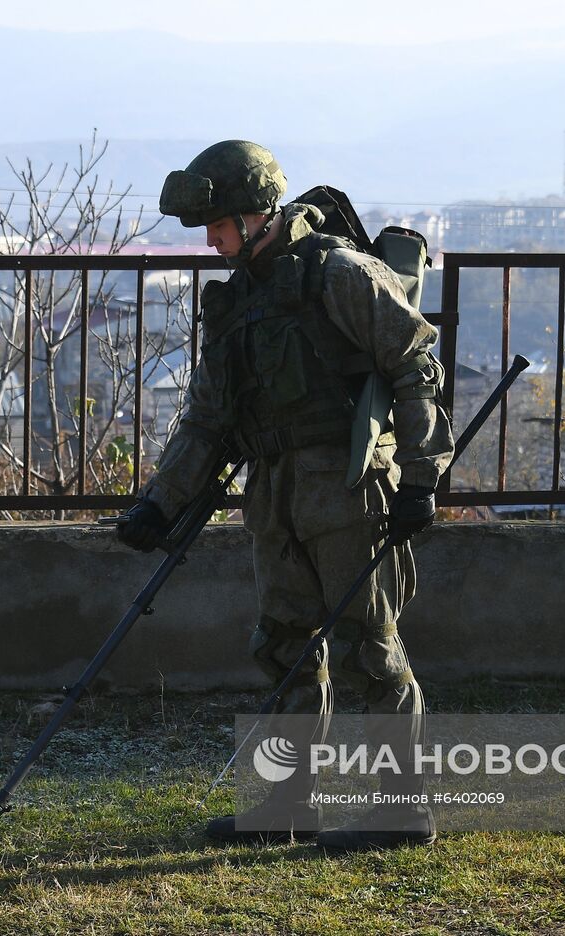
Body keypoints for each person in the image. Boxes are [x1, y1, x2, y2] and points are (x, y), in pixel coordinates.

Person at [115, 140, 453, 851]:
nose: (210, 240)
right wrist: (160, 503)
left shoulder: (337, 272)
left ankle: (403, 809)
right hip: (274, 493)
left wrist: (421, 477)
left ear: (255, 213)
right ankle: (286, 805)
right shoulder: (237, 301)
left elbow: (415, 363)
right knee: (283, 650)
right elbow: (207, 417)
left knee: (369, 649)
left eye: (218, 225)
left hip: (348, 485)